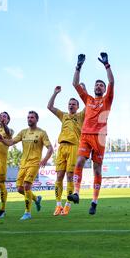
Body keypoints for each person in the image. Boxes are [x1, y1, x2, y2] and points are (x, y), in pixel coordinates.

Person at [67, 52, 114, 215]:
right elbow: (74, 83)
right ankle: (77, 193)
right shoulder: (88, 99)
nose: (99, 87)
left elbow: (112, 81)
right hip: (86, 135)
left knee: (97, 170)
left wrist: (107, 65)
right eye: (97, 85)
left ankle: (94, 201)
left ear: (105, 89)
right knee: (79, 162)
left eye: (101, 85)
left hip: (100, 137)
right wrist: (78, 66)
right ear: (94, 88)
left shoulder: (107, 100)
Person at [0, 111, 53, 220]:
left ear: (37, 119)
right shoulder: (23, 132)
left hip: (34, 163)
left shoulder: (42, 133)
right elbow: (11, 142)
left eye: (32, 117)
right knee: (19, 188)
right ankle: (36, 199)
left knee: (27, 185)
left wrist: (45, 159)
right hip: (23, 163)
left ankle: (27, 213)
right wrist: (3, 140)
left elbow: (50, 148)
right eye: (28, 117)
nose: (29, 119)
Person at [47, 85, 85, 216]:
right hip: (62, 147)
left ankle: (68, 205)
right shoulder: (63, 115)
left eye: (74, 104)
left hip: (74, 147)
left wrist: (83, 91)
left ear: (77, 107)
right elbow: (50, 107)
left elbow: (89, 105)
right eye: (70, 104)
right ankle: (58, 205)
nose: (71, 105)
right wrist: (55, 93)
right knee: (59, 176)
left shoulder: (80, 116)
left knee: (69, 176)